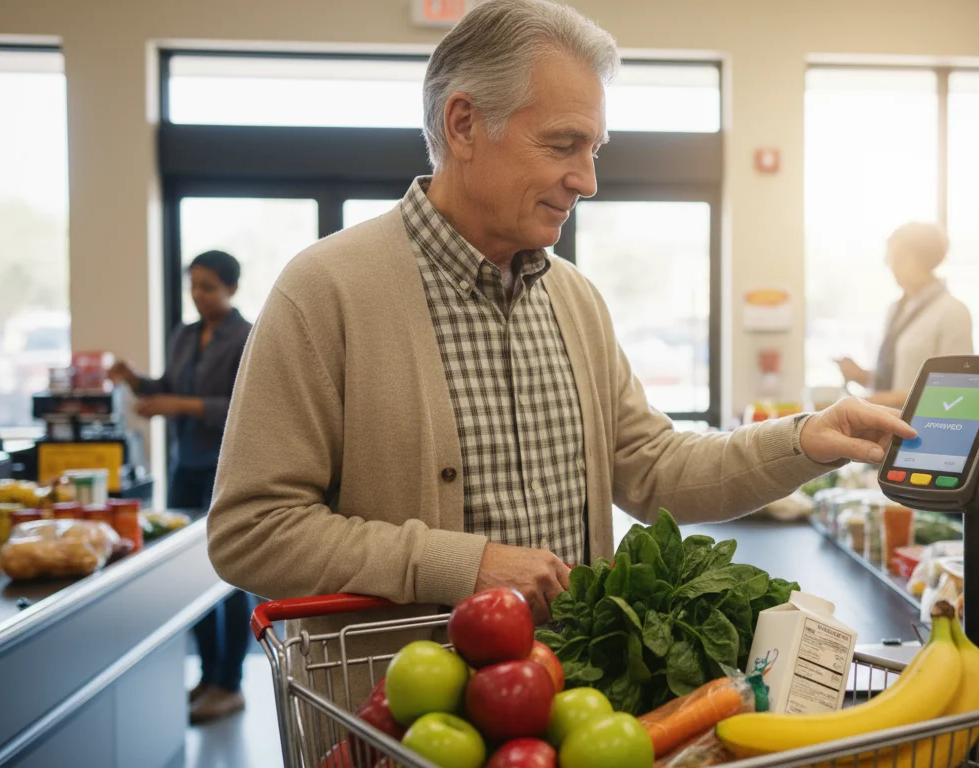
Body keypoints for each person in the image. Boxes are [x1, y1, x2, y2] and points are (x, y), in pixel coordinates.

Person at [206, 0, 914, 709]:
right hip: (403, 728)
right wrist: (464, 565)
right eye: (562, 144)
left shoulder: (573, 299)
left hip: (573, 715)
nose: (588, 179)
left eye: (593, 150)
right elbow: (252, 532)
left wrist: (803, 441)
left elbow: (657, 470)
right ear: (464, 125)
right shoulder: (326, 290)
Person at [109, 250, 253, 724]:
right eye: (193, 285)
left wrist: (177, 404)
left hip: (224, 469)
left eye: (208, 286)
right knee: (190, 574)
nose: (198, 294)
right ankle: (209, 677)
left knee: (230, 575)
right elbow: (165, 386)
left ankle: (230, 683)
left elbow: (239, 404)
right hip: (184, 467)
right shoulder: (185, 334)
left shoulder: (246, 337)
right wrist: (136, 380)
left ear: (231, 288)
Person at [837, 222, 973, 408]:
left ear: (924, 259)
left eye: (899, 259)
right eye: (890, 259)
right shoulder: (896, 309)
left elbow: (952, 389)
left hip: (924, 427)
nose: (892, 266)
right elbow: (898, 378)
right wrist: (862, 376)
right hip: (890, 425)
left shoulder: (952, 312)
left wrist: (873, 402)